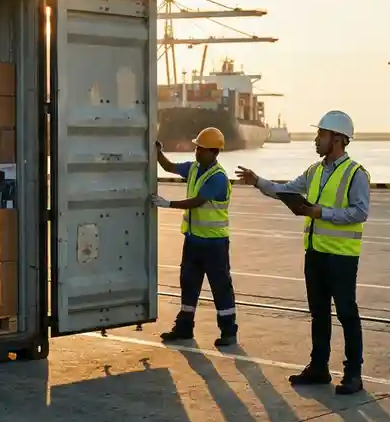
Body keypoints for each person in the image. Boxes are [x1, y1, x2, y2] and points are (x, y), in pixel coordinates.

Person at [235, 110, 369, 395]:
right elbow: (285, 190)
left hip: (342, 257)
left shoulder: (356, 174)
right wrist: (258, 181)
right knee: (319, 313)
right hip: (315, 253)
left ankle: (353, 374)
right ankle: (319, 368)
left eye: (320, 134)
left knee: (347, 313)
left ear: (337, 140)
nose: (316, 140)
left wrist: (322, 212)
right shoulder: (314, 171)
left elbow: (360, 212)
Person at [149, 127, 238, 348]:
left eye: (201, 149)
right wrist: (158, 152)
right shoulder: (193, 168)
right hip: (193, 240)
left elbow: (197, 201)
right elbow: (169, 166)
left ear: (214, 152)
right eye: (197, 147)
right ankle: (184, 328)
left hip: (214, 243)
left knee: (220, 287)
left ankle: (228, 331)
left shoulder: (218, 178)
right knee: (188, 284)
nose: (197, 152)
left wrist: (168, 203)